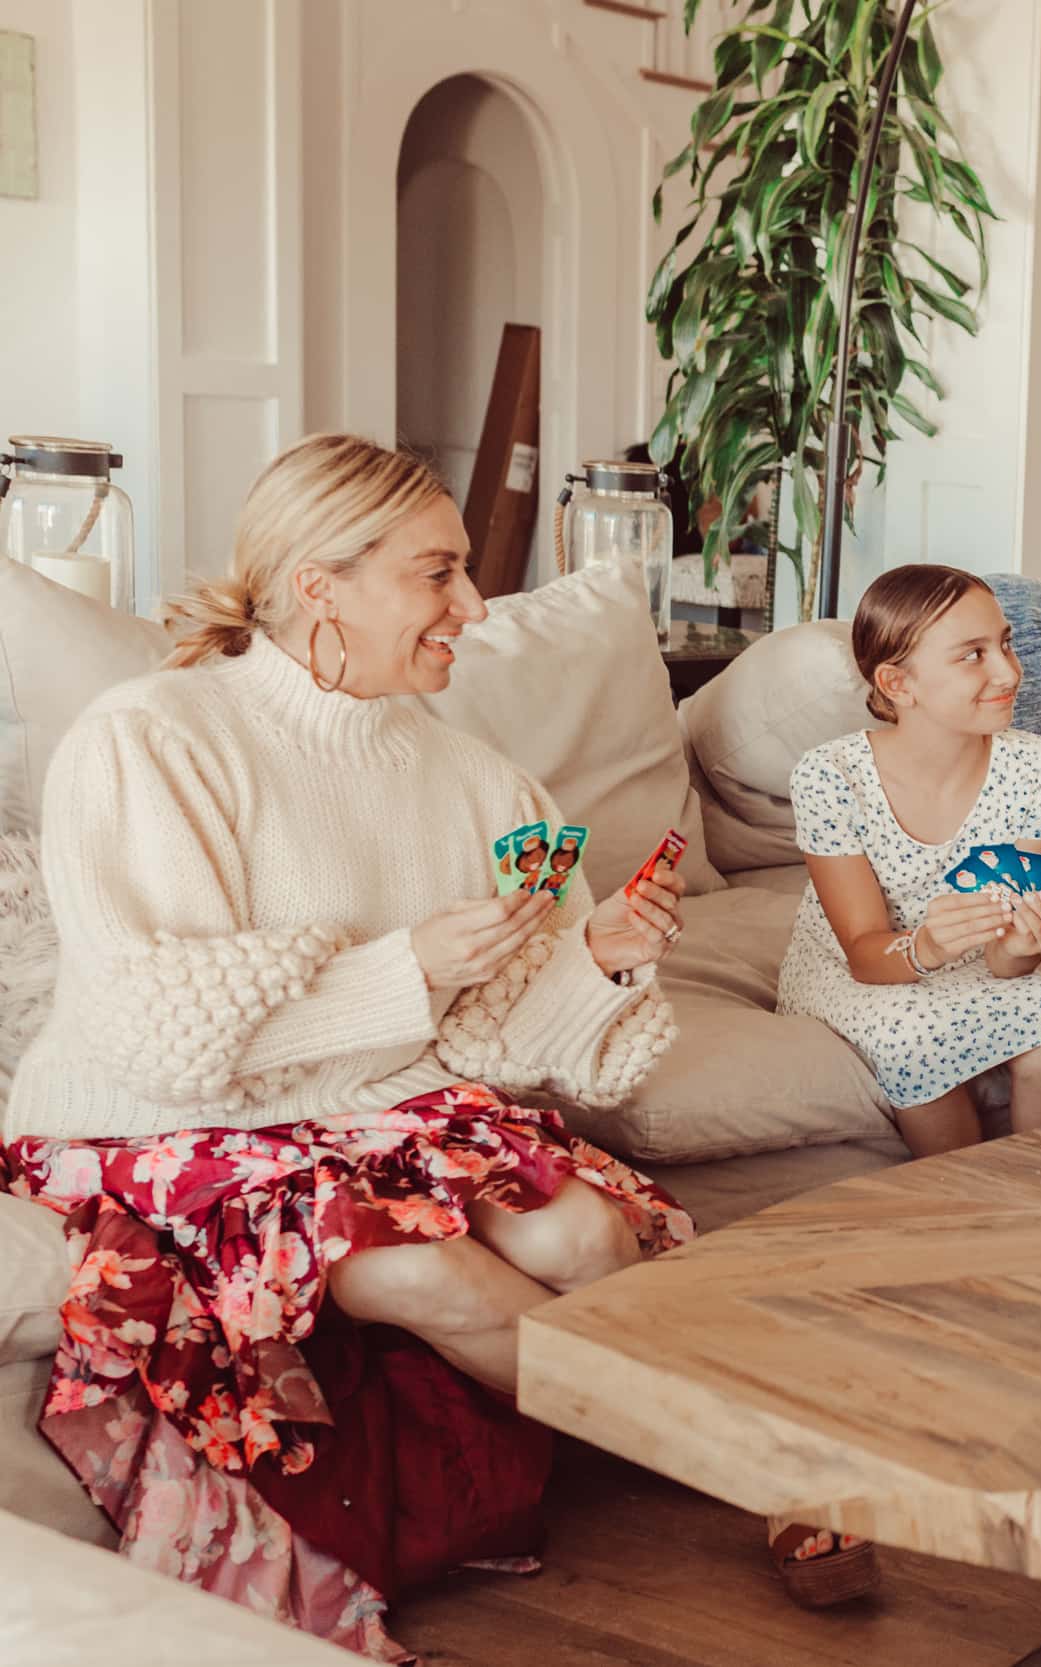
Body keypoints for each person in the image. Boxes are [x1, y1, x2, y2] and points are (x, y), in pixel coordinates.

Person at [0, 434, 690, 1658]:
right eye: (438, 573)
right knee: (422, 1270)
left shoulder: (480, 778)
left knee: (586, 1228)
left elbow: (508, 1039)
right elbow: (154, 1027)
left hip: (376, 1102)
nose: (472, 607)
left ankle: (721, 1428)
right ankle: (746, 1463)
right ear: (320, 581)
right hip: (167, 1120)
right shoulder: (151, 737)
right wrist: (406, 968)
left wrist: (602, 956)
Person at [775, 564, 1041, 1159]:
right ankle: (961, 1224)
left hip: (971, 968)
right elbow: (865, 951)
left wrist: (1024, 945)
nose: (1008, 671)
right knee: (912, 1039)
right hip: (855, 968)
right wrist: (928, 948)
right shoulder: (830, 777)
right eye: (972, 654)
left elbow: (1006, 966)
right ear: (898, 682)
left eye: (1005, 643)